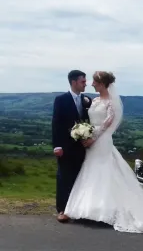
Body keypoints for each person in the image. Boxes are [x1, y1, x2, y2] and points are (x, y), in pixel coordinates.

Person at [63, 71, 143, 239]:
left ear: (102, 83)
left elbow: (107, 123)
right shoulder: (94, 100)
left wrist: (92, 138)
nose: (91, 84)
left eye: (94, 81)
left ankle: (104, 209)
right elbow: (89, 118)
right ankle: (91, 208)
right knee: (91, 171)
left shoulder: (110, 103)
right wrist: (85, 133)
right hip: (92, 141)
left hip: (102, 141)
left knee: (104, 172)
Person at [52, 70, 92, 223]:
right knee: (64, 178)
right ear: (74, 82)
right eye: (83, 81)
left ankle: (78, 208)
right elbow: (56, 124)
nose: (85, 84)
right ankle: (62, 209)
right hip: (66, 146)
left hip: (83, 147)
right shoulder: (61, 100)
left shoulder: (87, 100)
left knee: (81, 178)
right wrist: (57, 146)